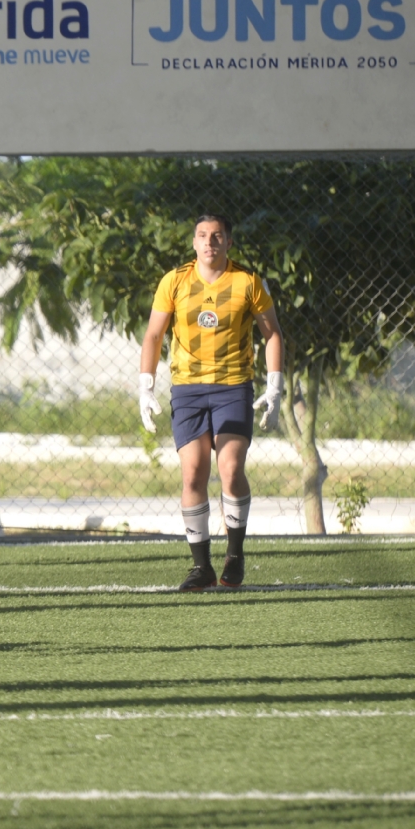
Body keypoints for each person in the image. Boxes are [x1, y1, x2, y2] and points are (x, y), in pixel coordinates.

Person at [138, 215, 285, 592]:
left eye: (217, 236)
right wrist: (145, 386)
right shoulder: (174, 281)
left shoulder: (247, 282)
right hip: (187, 392)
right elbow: (154, 334)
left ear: (229, 242)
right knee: (193, 474)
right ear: (193, 243)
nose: (209, 242)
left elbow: (272, 335)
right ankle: (201, 567)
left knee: (231, 468)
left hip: (232, 388)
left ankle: (234, 556)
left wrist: (275, 386)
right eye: (202, 236)